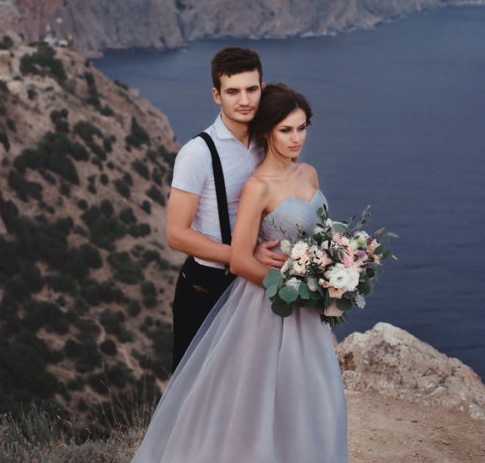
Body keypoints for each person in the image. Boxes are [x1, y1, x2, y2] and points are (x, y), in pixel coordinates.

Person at [132, 84, 349, 463]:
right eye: (286, 130)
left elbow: (321, 236)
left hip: (311, 313)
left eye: (301, 128)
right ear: (267, 132)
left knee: (318, 401)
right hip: (270, 307)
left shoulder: (309, 174)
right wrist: (299, 291)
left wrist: (337, 273)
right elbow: (240, 261)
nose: (296, 138)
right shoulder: (257, 188)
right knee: (258, 408)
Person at [167, 47, 287, 370]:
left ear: (262, 89)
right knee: (196, 386)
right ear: (216, 96)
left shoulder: (269, 143)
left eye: (251, 89)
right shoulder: (197, 154)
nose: (244, 100)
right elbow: (176, 235)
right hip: (207, 285)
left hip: (257, 285)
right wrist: (242, 255)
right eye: (233, 91)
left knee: (251, 380)